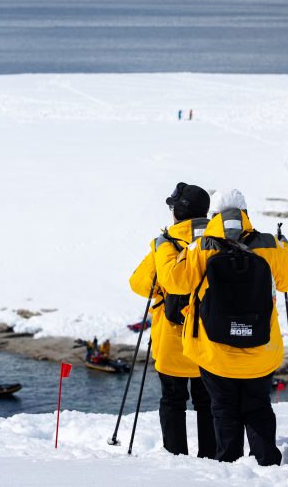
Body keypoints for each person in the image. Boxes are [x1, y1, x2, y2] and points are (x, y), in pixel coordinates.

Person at [157, 193, 288, 466]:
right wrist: (285, 248)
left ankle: (228, 466)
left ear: (214, 215)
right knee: (258, 405)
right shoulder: (269, 244)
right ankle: (267, 463)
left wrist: (165, 246)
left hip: (215, 351)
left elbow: (174, 282)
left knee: (223, 408)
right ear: (245, 213)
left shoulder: (201, 247)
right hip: (261, 348)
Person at [129, 182, 215, 458]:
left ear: (177, 212)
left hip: (171, 339)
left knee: (173, 400)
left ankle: (176, 458)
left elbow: (139, 284)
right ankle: (211, 457)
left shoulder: (163, 245)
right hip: (210, 339)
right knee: (208, 401)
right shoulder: (216, 241)